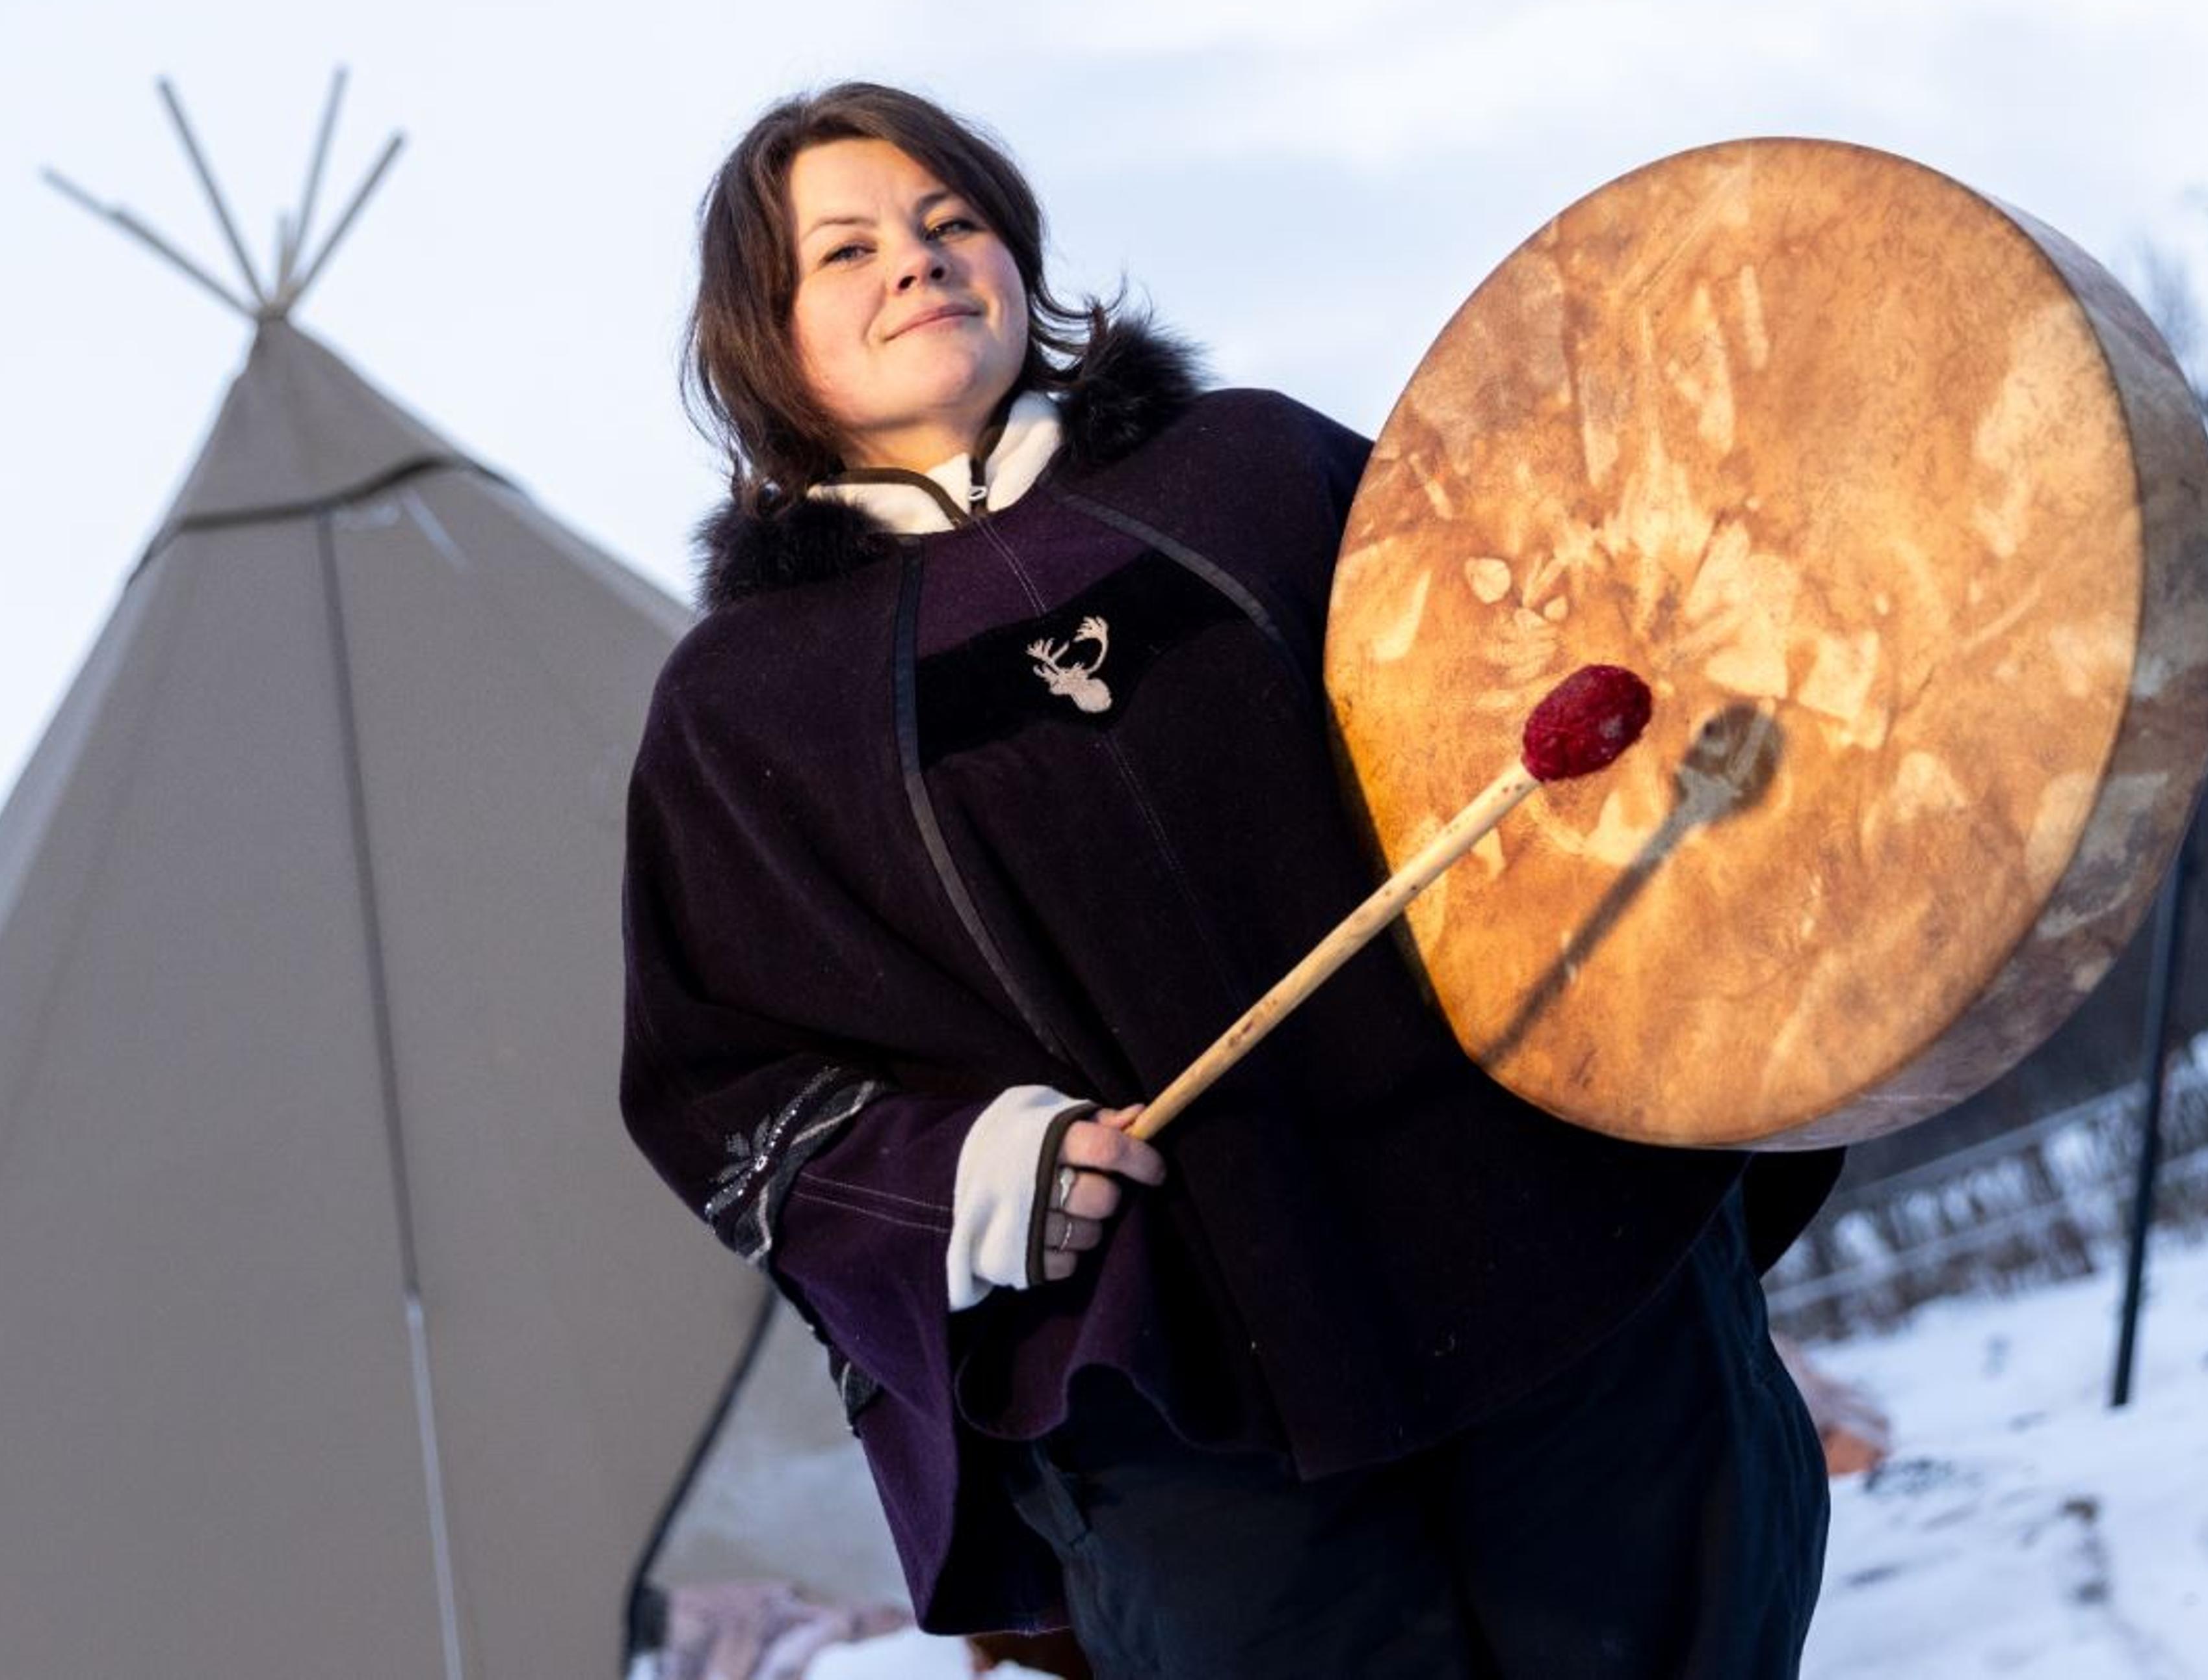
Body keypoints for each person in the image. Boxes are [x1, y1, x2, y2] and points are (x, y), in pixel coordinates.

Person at [619, 81, 1843, 1677]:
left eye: (949, 220)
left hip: (1549, 1250)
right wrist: (963, 1173)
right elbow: (719, 1086)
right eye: (845, 250)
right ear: (767, 341)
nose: (916, 263)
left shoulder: (1253, 473)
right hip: (1175, 1384)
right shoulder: (742, 705)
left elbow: (1541, 687)